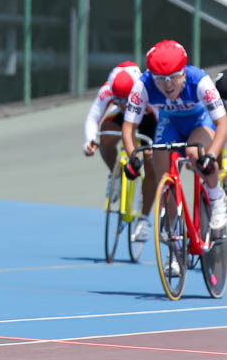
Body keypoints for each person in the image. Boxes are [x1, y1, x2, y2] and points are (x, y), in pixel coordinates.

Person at [122, 40, 227, 276]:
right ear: (152, 75)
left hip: (200, 122)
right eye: (160, 78)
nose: (167, 85)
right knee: (162, 177)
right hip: (170, 123)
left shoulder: (199, 80)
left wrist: (210, 156)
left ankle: (216, 197)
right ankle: (175, 248)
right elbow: (128, 128)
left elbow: (222, 123)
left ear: (184, 73)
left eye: (173, 78)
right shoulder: (144, 85)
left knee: (194, 153)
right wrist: (132, 158)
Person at [83, 61, 158, 241]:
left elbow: (162, 120)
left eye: (126, 100)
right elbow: (93, 117)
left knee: (151, 162)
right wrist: (90, 140)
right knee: (106, 138)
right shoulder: (107, 91)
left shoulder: (148, 90)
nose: (123, 104)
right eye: (119, 100)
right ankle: (115, 175)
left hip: (148, 119)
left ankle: (144, 219)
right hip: (124, 119)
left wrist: (155, 147)